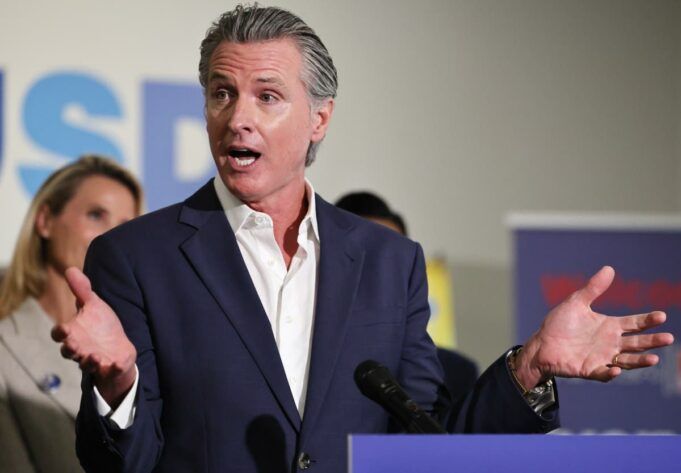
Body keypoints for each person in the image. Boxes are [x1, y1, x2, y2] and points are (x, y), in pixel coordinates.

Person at [51, 5, 673, 473]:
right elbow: (123, 462)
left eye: (267, 96)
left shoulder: (388, 263)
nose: (237, 117)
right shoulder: (136, 258)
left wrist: (528, 366)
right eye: (222, 93)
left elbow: (428, 444)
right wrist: (119, 384)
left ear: (319, 118)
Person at [0, 155, 142, 472]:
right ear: (45, 221)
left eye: (124, 226)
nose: (112, 237)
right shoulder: (5, 344)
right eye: (96, 215)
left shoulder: (143, 342)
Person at [335, 190, 479, 403]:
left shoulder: (455, 373)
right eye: (368, 260)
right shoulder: (305, 362)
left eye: (392, 260)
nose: (381, 275)